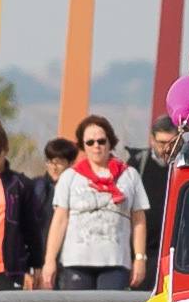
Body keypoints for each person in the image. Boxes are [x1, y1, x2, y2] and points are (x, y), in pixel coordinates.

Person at [42, 114, 146, 290]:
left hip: (115, 261)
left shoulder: (130, 175)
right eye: (90, 142)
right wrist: (49, 260)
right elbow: (59, 221)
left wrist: (140, 258)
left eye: (101, 141)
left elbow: (139, 220)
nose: (96, 146)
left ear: (110, 142)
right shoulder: (69, 176)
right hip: (76, 261)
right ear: (83, 145)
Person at [0, 124, 49, 290]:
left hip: (10, 265)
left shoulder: (20, 185)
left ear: (5, 151)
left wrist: (36, 265)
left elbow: (32, 227)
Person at [135, 119, 180, 288]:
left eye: (172, 143)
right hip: (145, 250)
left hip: (175, 251)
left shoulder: (183, 165)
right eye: (161, 143)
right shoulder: (139, 165)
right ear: (152, 140)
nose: (166, 148)